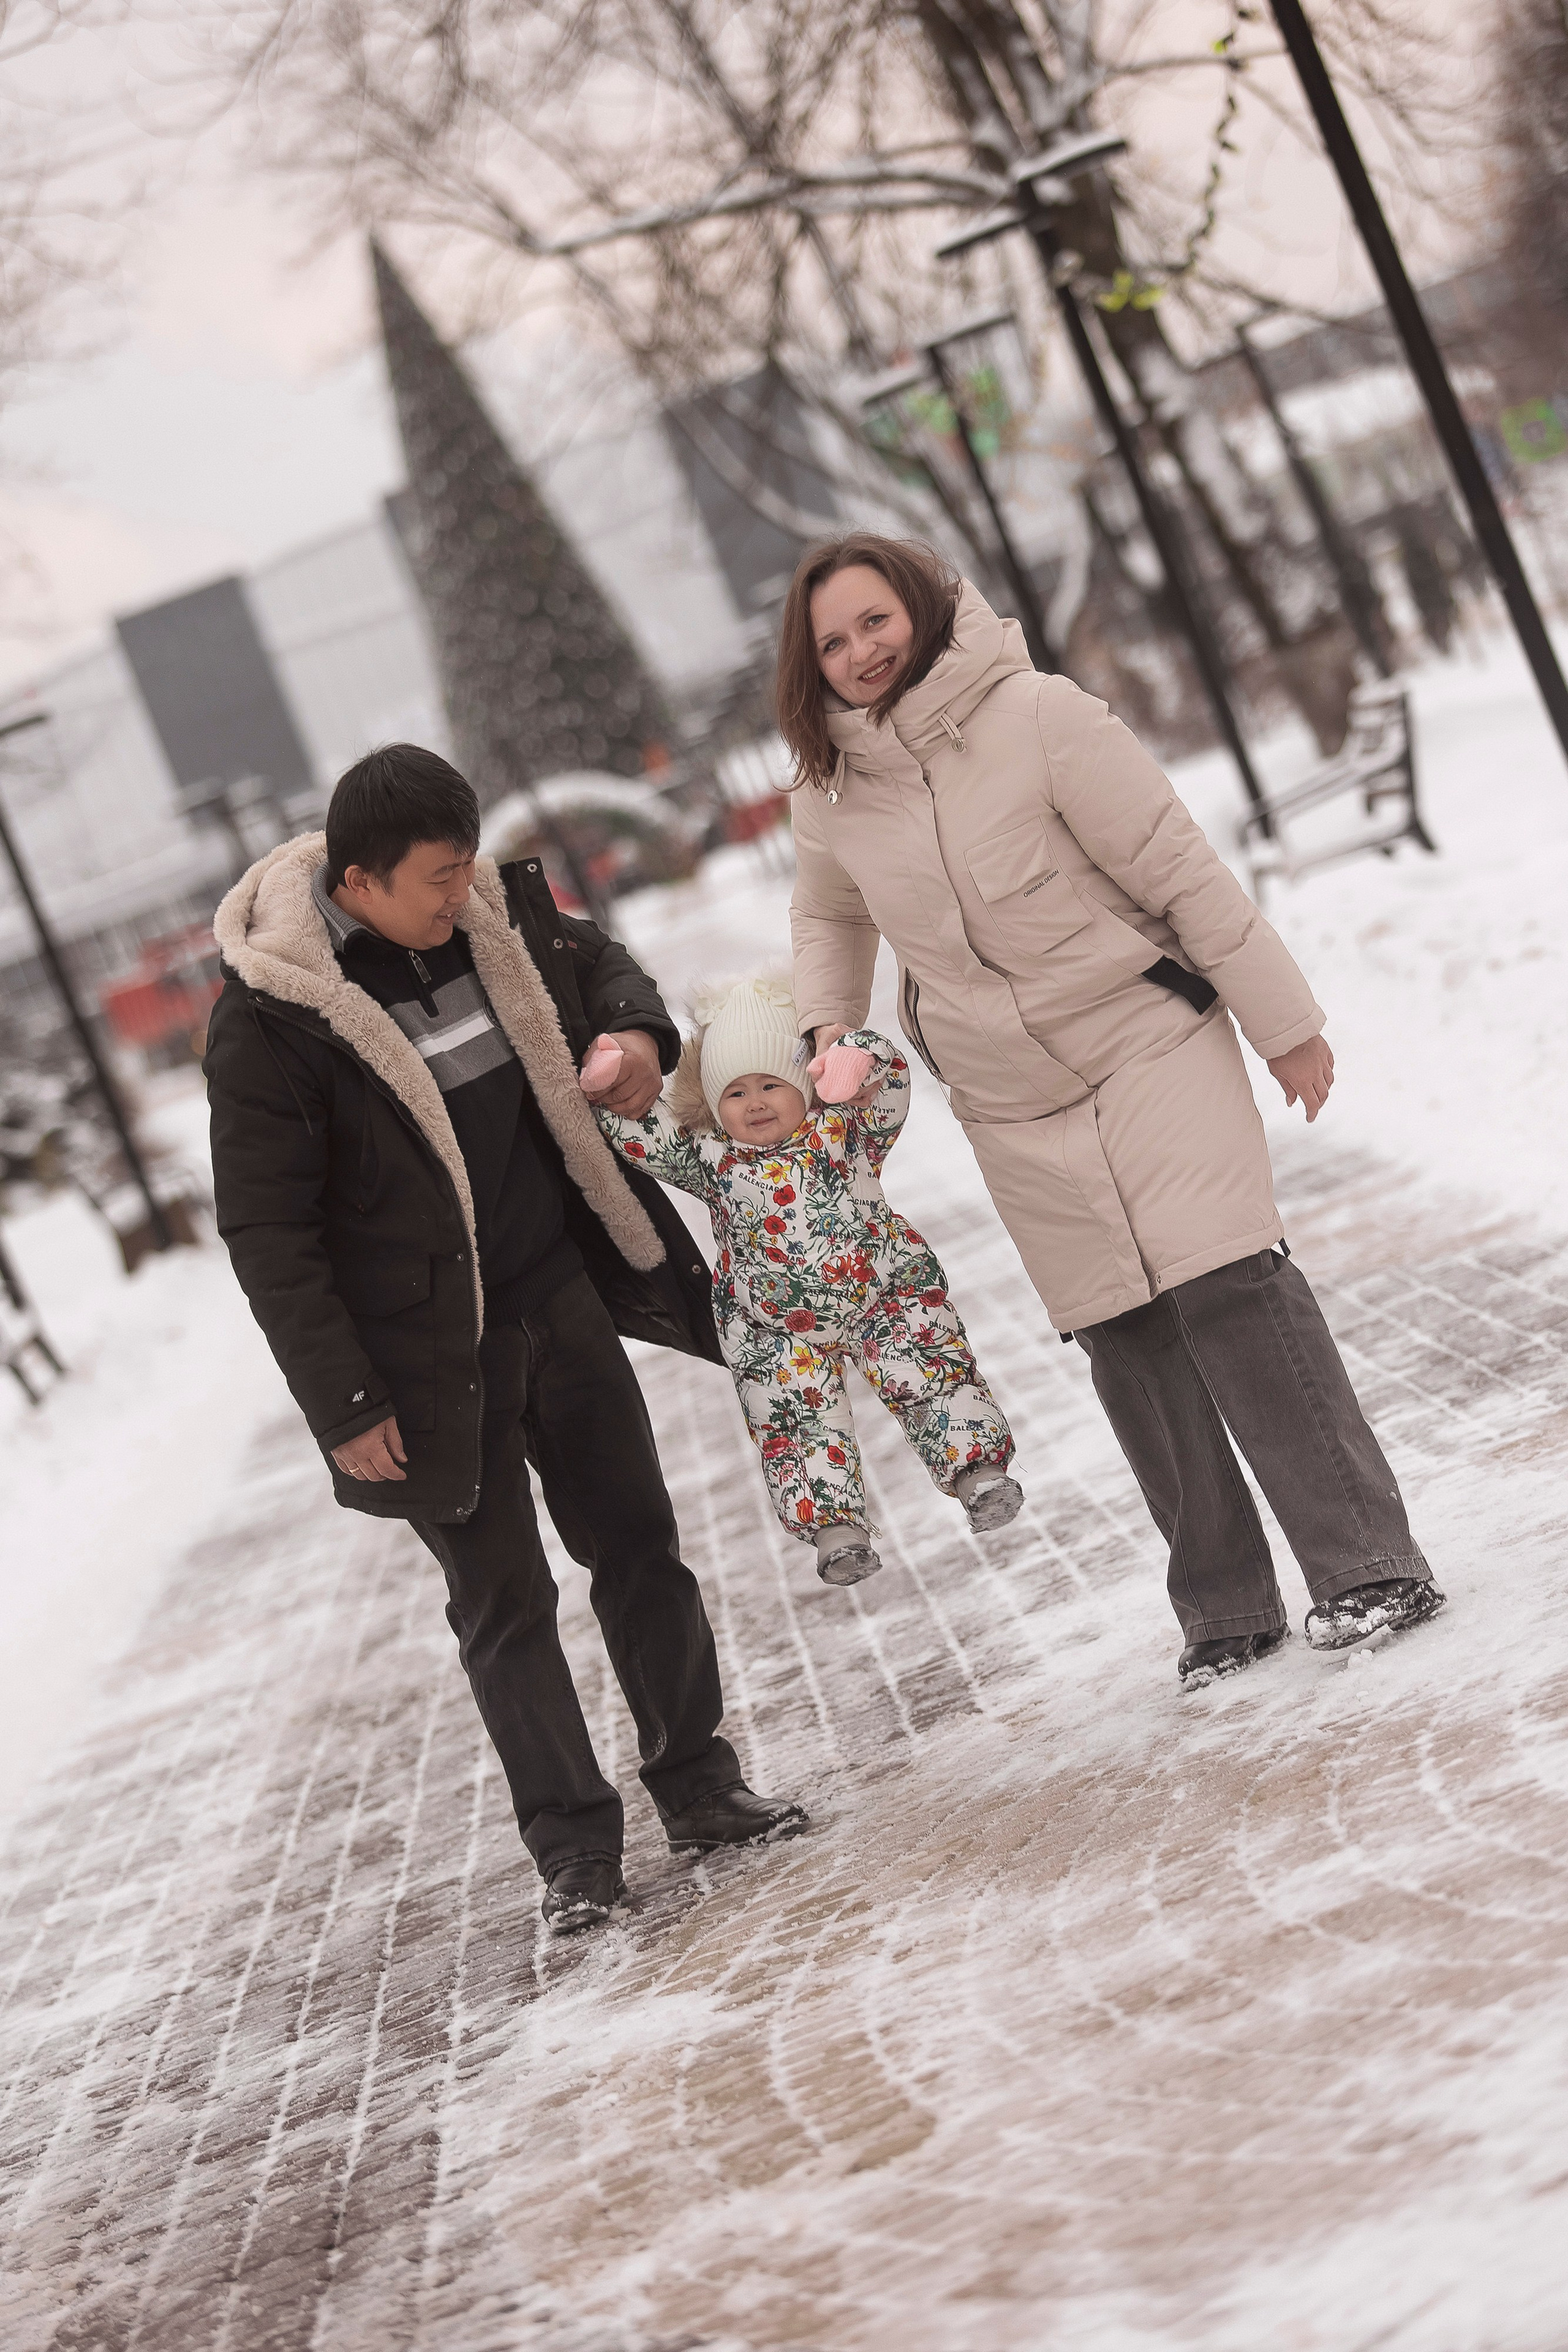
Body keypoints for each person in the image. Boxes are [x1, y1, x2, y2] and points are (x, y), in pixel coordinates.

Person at [778, 533, 1444, 1686]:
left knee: (1226, 1279)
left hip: (1146, 1036)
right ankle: (1228, 1607)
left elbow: (1176, 865)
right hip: (1007, 1094)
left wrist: (1283, 1021)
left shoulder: (1041, 714)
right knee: (1124, 1328)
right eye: (833, 641)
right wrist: (828, 1030)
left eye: (875, 620)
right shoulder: (831, 793)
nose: (860, 653)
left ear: (925, 606)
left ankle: (1367, 1565)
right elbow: (829, 919)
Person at [205, 745, 806, 1934]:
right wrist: (343, 1404)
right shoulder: (274, 1022)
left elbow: (611, 975)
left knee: (640, 1546)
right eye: (434, 878)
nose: (458, 894)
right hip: (424, 1364)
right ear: (359, 880)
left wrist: (634, 1042)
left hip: (557, 1303)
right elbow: (268, 1234)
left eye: (467, 866)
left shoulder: (492, 923)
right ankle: (575, 1856)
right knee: (503, 1604)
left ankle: (699, 1785)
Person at [588, 976, 1022, 1587]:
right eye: (735, 1092)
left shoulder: (843, 1134)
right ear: (714, 1103)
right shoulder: (710, 1157)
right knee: (795, 1426)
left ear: (804, 1085)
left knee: (928, 1373)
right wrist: (611, 1087)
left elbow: (886, 1092)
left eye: (771, 1084)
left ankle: (977, 1473)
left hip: (881, 1296)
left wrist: (861, 1057)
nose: (755, 1102)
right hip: (775, 1330)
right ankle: (836, 1532)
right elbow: (647, 1135)